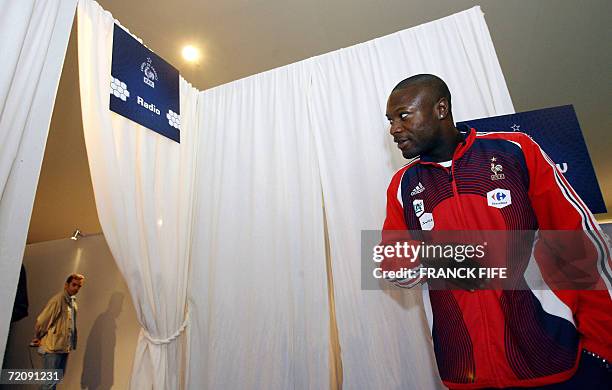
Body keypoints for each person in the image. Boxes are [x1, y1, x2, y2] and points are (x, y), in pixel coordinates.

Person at [381, 74, 611, 388]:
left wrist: (603, 348)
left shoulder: (515, 150)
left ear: (441, 108)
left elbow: (583, 247)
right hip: (466, 372)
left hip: (552, 360)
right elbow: (391, 266)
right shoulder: (401, 186)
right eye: (390, 120)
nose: (394, 128)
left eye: (403, 116)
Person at [31, 273, 85, 389]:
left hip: (63, 348)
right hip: (53, 349)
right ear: (66, 285)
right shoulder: (57, 301)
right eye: (74, 285)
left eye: (79, 286)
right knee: (49, 383)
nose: (76, 288)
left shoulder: (72, 303)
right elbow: (41, 321)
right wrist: (37, 337)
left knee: (53, 382)